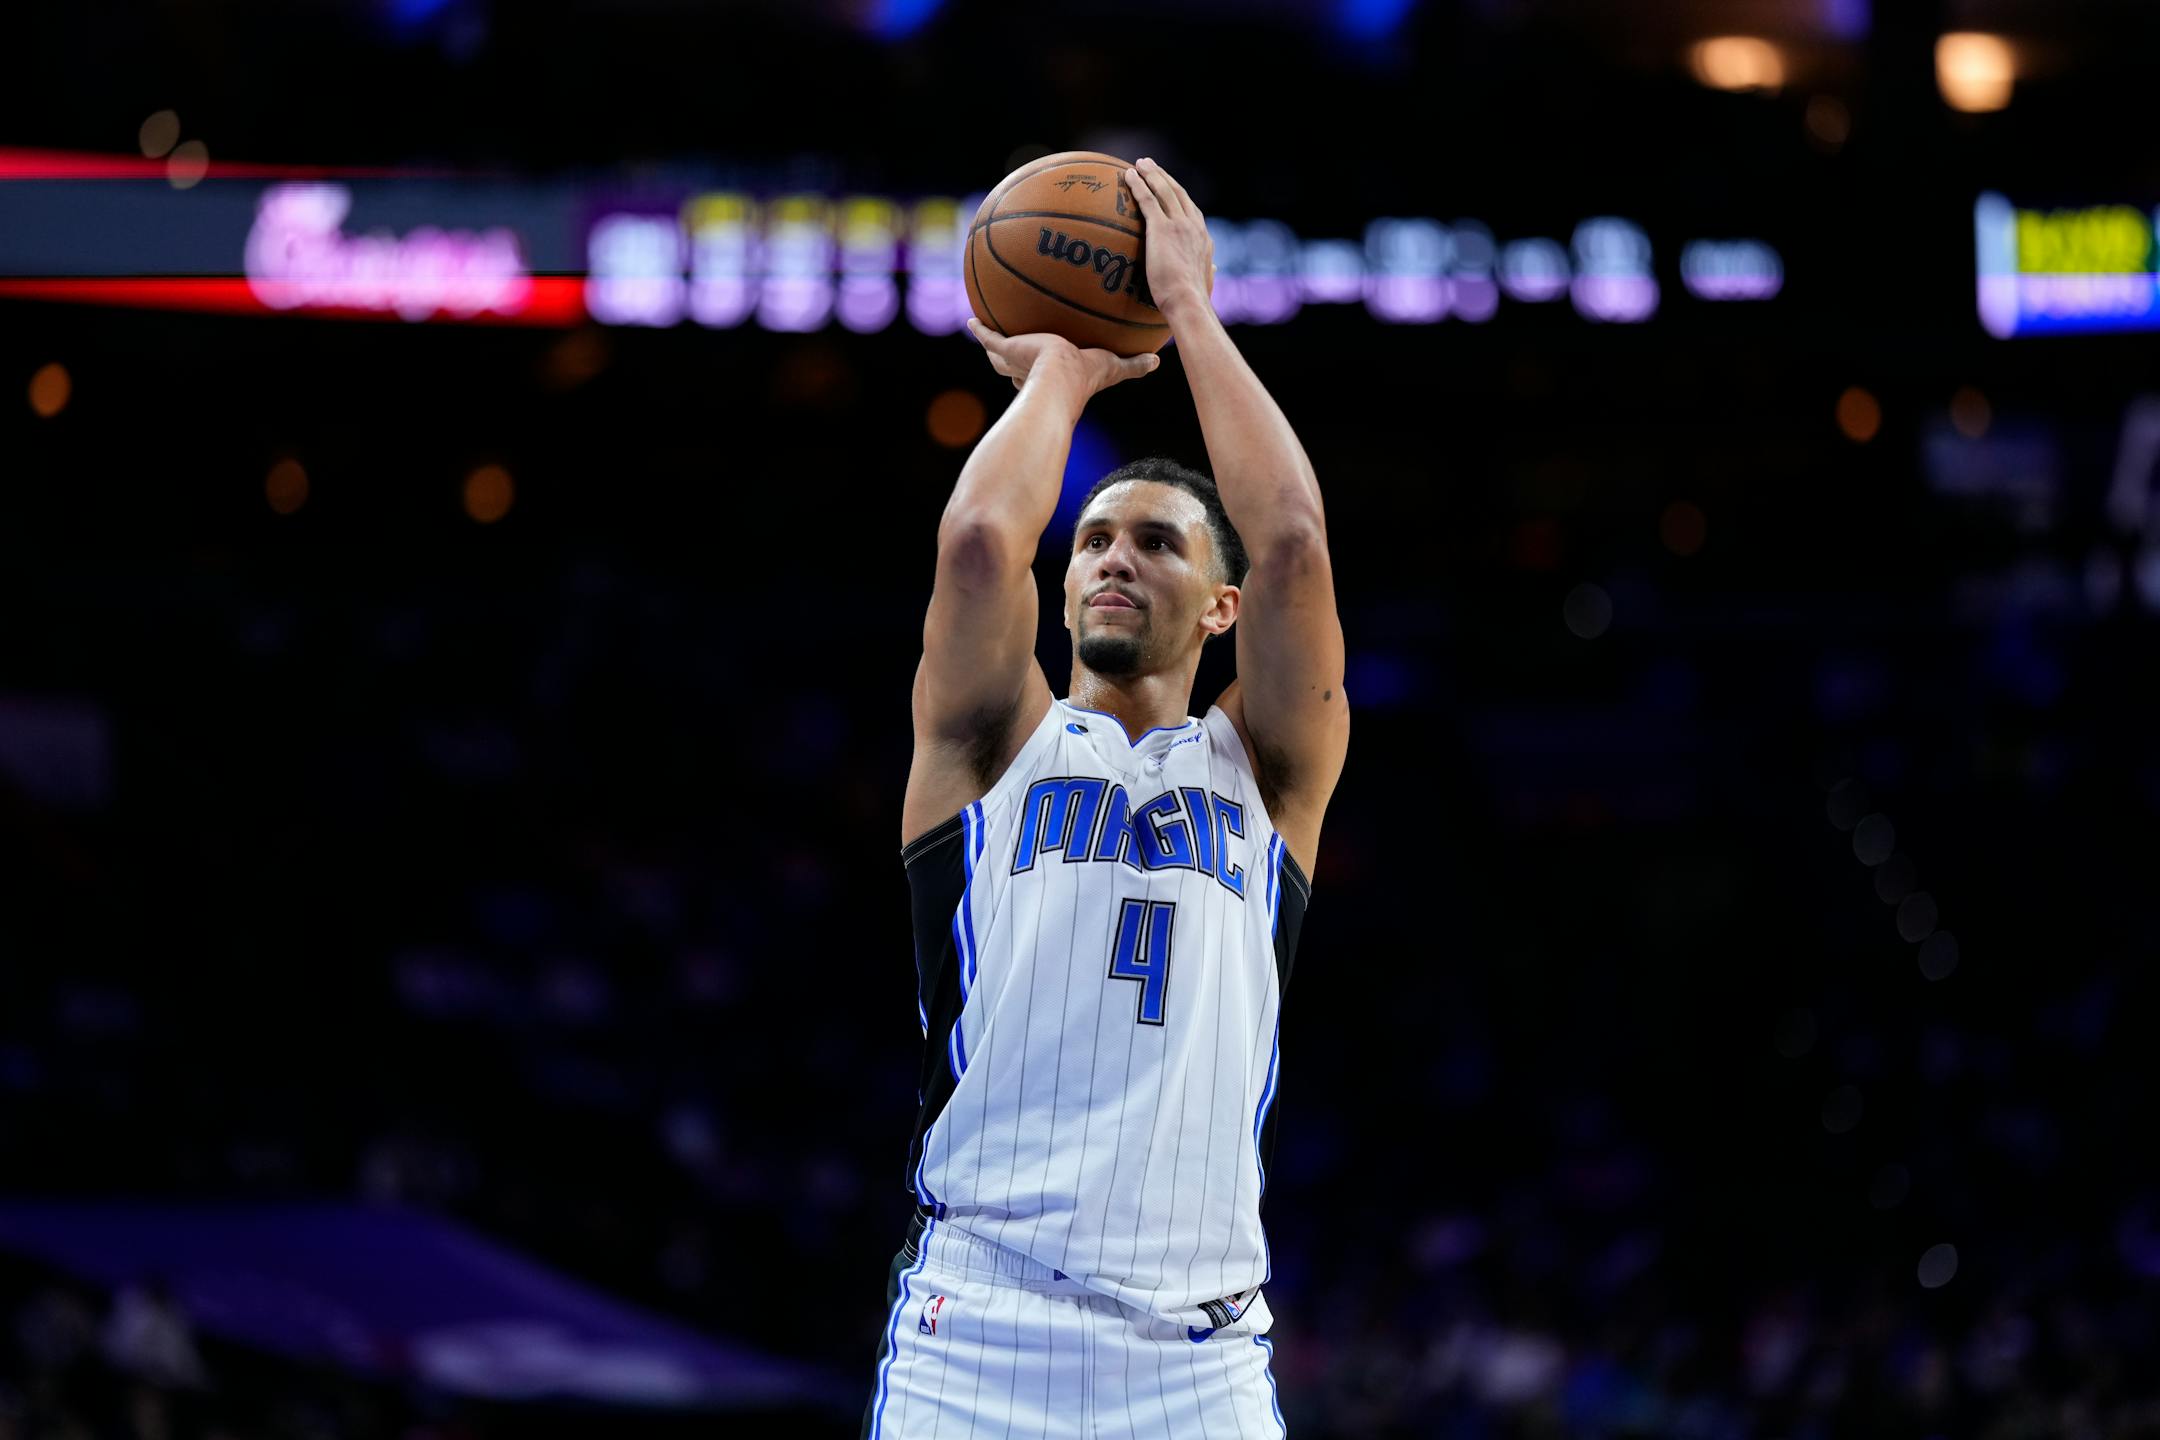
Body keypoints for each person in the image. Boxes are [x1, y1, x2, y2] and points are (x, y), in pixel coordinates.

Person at [863, 157, 1349, 1436]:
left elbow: (1293, 534)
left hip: (1199, 1366)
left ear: (1223, 607)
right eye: (1092, 539)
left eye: (1157, 541)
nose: (1113, 557)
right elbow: (977, 544)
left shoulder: (1269, 772)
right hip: (978, 1334)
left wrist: (1188, 312)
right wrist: (1066, 371)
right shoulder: (989, 748)